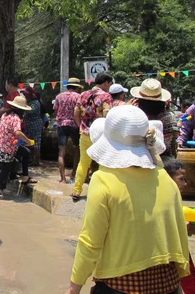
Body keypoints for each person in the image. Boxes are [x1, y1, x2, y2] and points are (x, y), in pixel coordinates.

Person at [66, 105, 190, 294]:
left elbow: (90, 242)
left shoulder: (103, 180)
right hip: (168, 284)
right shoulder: (166, 180)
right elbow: (179, 235)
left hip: (120, 286)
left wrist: (74, 288)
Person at [71, 72, 113, 201]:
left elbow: (76, 112)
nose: (109, 86)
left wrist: (80, 126)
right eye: (109, 84)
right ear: (105, 82)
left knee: (83, 163)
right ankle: (99, 192)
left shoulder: (84, 94)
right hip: (100, 135)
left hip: (85, 133)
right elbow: (107, 114)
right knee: (102, 163)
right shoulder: (106, 96)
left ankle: (77, 190)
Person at [0, 96, 35, 199]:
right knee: (5, 171)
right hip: (8, 149)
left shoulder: (5, 115)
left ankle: (24, 176)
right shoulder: (16, 118)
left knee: (25, 153)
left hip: (1, 146)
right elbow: (18, 133)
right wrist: (28, 141)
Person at [163, 157, 195, 294]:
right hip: (171, 257)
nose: (185, 184)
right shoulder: (163, 201)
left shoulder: (175, 199)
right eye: (181, 179)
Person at [131, 79, 176, 157]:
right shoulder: (169, 117)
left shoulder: (133, 114)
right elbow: (168, 145)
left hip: (135, 155)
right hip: (163, 158)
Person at [53, 78, 82, 184]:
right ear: (77, 87)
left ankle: (63, 178)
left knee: (61, 153)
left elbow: (55, 109)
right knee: (77, 149)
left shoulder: (59, 96)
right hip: (74, 125)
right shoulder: (78, 97)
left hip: (61, 125)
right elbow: (80, 111)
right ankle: (73, 173)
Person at [21, 86, 43, 166]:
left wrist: (23, 107)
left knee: (36, 143)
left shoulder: (35, 103)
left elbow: (31, 111)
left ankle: (36, 161)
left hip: (36, 124)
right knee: (29, 143)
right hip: (28, 125)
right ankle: (31, 159)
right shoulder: (28, 102)